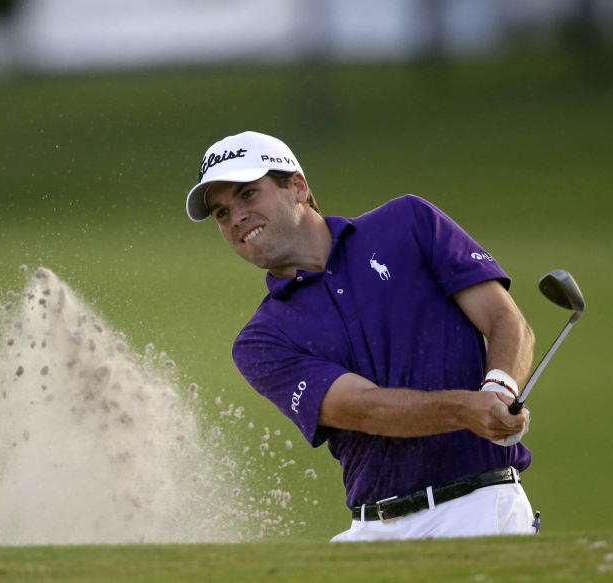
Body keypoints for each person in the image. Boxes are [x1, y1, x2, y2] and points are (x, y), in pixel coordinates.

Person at [185, 131, 538, 541]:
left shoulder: (408, 223)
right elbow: (364, 409)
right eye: (221, 213)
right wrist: (468, 409)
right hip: (371, 527)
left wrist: (499, 388)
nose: (236, 217)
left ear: (297, 187)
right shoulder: (261, 341)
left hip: (479, 505)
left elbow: (505, 319)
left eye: (248, 194)